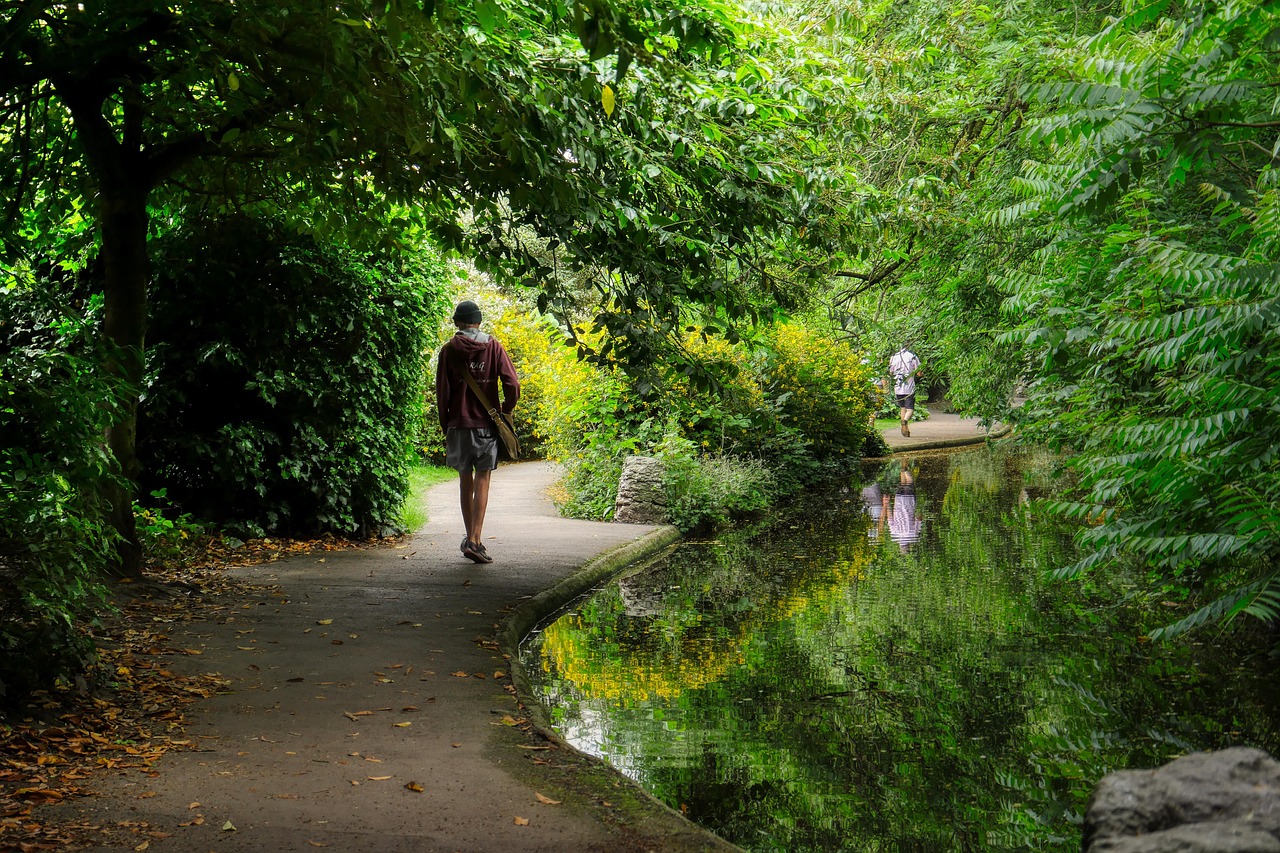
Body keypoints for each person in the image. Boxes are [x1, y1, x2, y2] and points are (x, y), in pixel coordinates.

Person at [435, 300, 520, 564]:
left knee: (465, 478)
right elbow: (512, 383)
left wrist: (446, 422)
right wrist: (506, 409)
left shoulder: (449, 350)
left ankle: (470, 538)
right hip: (486, 424)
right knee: (483, 478)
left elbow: (443, 392)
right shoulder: (493, 347)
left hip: (459, 424)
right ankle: (474, 540)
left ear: (457, 322)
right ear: (479, 322)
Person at [888, 344, 921, 437]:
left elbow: (890, 372)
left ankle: (906, 429)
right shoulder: (912, 356)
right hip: (909, 387)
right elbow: (919, 373)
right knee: (910, 410)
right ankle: (905, 421)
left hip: (898, 386)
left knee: (902, 408)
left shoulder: (894, 357)